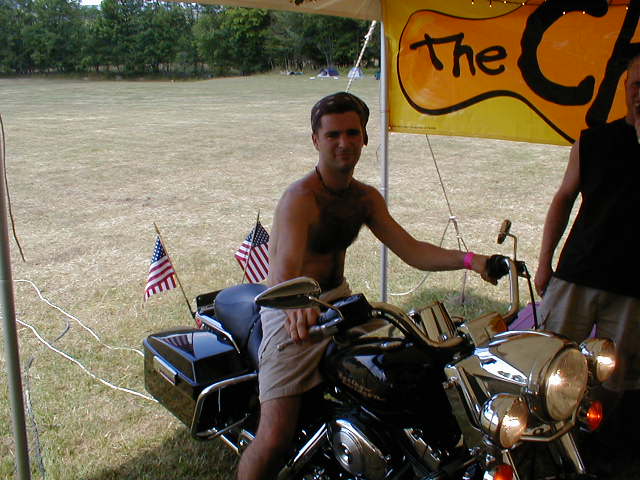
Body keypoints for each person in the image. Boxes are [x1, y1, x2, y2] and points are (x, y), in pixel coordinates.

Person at [236, 91, 499, 480]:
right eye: (333, 135)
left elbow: (410, 249)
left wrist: (471, 261)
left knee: (405, 368)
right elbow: (283, 269)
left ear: (365, 137)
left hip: (339, 302)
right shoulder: (301, 198)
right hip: (290, 306)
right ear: (315, 140)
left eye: (352, 133)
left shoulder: (365, 198)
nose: (344, 143)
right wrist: (297, 303)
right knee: (275, 437)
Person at [534, 54, 640, 473]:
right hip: (578, 273)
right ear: (625, 87)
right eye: (636, 85)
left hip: (633, 287)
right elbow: (563, 198)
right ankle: (538, 442)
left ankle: (589, 446)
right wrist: (545, 263)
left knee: (614, 379)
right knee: (550, 362)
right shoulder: (594, 141)